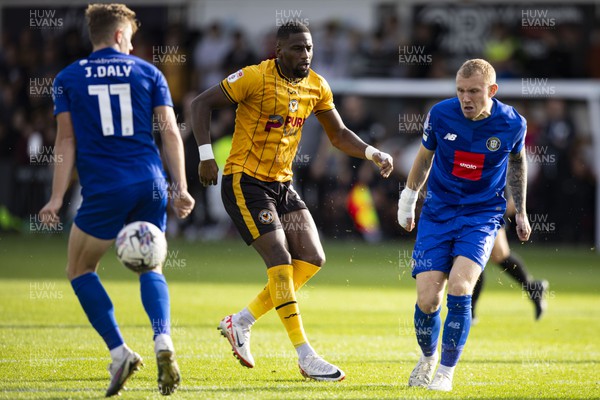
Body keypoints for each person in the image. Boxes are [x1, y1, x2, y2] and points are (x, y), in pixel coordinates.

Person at [191, 22, 393, 381]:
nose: (306, 55)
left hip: (282, 184)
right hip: (244, 180)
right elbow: (201, 103)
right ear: (279, 50)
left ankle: (241, 321)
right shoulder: (253, 77)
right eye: (298, 49)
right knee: (280, 259)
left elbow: (339, 134)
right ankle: (305, 355)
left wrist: (372, 153)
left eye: (309, 48)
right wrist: (206, 155)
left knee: (313, 258)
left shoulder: (317, 85)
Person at [39, 4, 194, 396]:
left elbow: (66, 141)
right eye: (132, 39)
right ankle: (163, 341)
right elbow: (171, 134)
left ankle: (120, 351)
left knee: (79, 269)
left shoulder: (68, 78)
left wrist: (56, 197)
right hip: (150, 183)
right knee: (152, 266)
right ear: (121, 36)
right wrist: (181, 188)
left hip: (106, 187)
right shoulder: (149, 71)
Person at [397, 59, 531, 391]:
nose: (465, 98)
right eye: (460, 91)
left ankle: (446, 369)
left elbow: (518, 164)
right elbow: (425, 157)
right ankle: (428, 358)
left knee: (460, 286)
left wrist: (523, 212)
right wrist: (408, 199)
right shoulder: (441, 114)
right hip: (438, 214)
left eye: (473, 91)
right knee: (428, 299)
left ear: (492, 91)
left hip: (481, 217)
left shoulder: (512, 123)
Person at [472, 226, 549, 322]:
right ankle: (533, 287)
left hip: (484, 213)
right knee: (482, 255)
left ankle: (469, 312)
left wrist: (520, 213)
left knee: (492, 254)